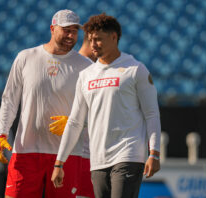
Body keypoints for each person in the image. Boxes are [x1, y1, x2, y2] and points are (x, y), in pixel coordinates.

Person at [51, 13, 161, 198]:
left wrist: (154, 153)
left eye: (98, 39)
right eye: (91, 39)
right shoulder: (86, 75)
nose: (93, 44)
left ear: (114, 37)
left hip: (129, 154)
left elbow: (152, 114)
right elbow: (75, 122)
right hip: (98, 160)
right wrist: (59, 163)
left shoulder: (135, 69)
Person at [0, 9, 93, 198]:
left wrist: (76, 123)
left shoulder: (86, 66)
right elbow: (9, 100)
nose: (71, 35)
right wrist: (1, 133)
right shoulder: (26, 57)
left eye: (74, 30)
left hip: (67, 154)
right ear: (52, 29)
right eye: (66, 30)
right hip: (26, 150)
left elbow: (97, 109)